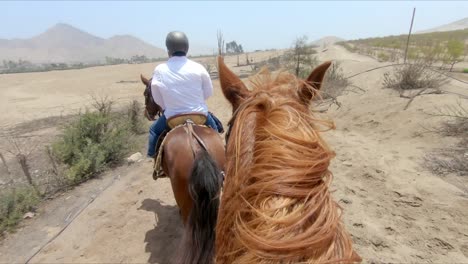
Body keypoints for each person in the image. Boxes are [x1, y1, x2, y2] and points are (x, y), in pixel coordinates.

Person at [147, 31, 221, 158]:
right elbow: (209, 92)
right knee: (217, 131)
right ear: (187, 48)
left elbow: (156, 95)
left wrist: (167, 106)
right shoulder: (198, 67)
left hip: (172, 118)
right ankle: (222, 153)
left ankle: (153, 158)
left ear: (168, 50)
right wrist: (196, 101)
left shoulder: (159, 69)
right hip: (200, 115)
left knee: (153, 130)